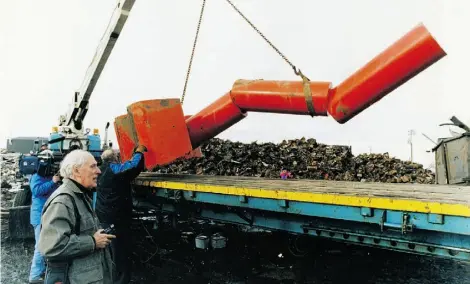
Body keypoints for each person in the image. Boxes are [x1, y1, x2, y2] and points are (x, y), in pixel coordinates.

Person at [38, 149, 116, 284]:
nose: (98, 171)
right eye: (92, 166)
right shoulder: (63, 201)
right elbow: (51, 246)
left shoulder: (80, 195)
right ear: (76, 171)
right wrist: (93, 241)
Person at [95, 145, 147, 284]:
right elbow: (132, 166)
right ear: (114, 159)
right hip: (115, 219)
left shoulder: (100, 171)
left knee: (112, 252)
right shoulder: (113, 169)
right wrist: (138, 152)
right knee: (120, 254)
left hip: (105, 216)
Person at [28, 153, 60, 283]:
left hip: (48, 214)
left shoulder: (46, 175)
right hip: (39, 216)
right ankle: (34, 276)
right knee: (40, 246)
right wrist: (52, 182)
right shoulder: (36, 176)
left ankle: (41, 272)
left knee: (47, 244)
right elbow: (37, 191)